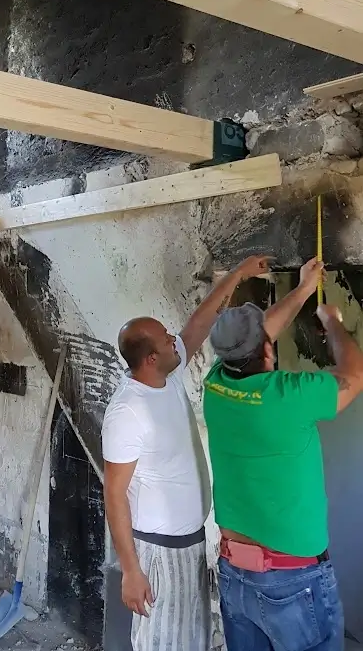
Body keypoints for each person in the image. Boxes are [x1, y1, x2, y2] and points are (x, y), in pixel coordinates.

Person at [101, 254, 272, 651]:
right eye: (166, 339)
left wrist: (238, 274)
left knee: (192, 640)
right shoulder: (128, 411)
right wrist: (131, 571)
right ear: (150, 359)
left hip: (190, 543)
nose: (173, 339)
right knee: (162, 642)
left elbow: (198, 323)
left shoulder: (169, 373)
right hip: (158, 552)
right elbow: (114, 493)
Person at [204, 257, 363, 651]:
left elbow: (256, 341)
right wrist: (332, 322)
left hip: (235, 575)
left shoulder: (216, 384)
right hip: (292, 582)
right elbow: (354, 375)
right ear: (268, 350)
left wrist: (305, 288)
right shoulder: (289, 395)